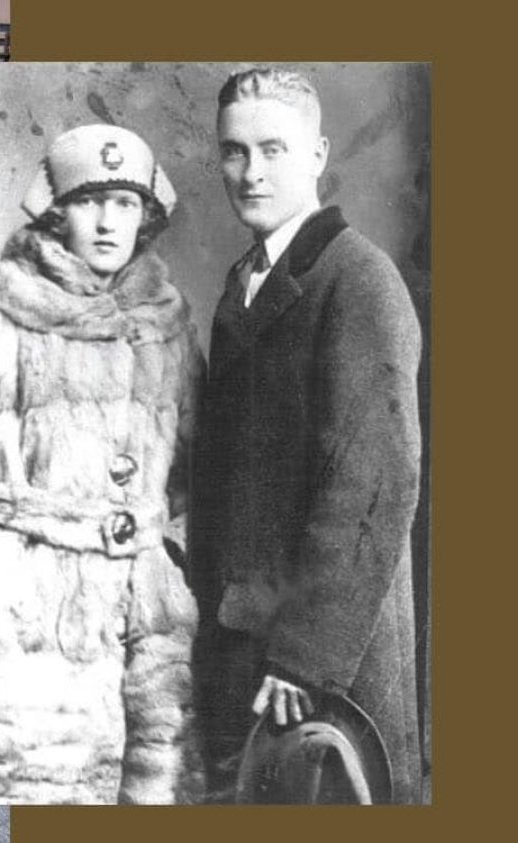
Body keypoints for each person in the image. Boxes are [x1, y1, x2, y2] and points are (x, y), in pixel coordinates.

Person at [0, 124, 204, 804]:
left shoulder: (168, 325)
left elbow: (197, 470)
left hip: (147, 620)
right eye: (89, 201)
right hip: (28, 614)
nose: (108, 222)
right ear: (58, 211)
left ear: (146, 214)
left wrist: (171, 563)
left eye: (125, 203)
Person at [189, 68, 424, 804]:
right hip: (244, 637)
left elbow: (375, 483)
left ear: (318, 155)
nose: (251, 172)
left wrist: (305, 657)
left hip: (322, 662)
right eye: (234, 151)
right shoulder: (246, 282)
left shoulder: (359, 281)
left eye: (273, 149)